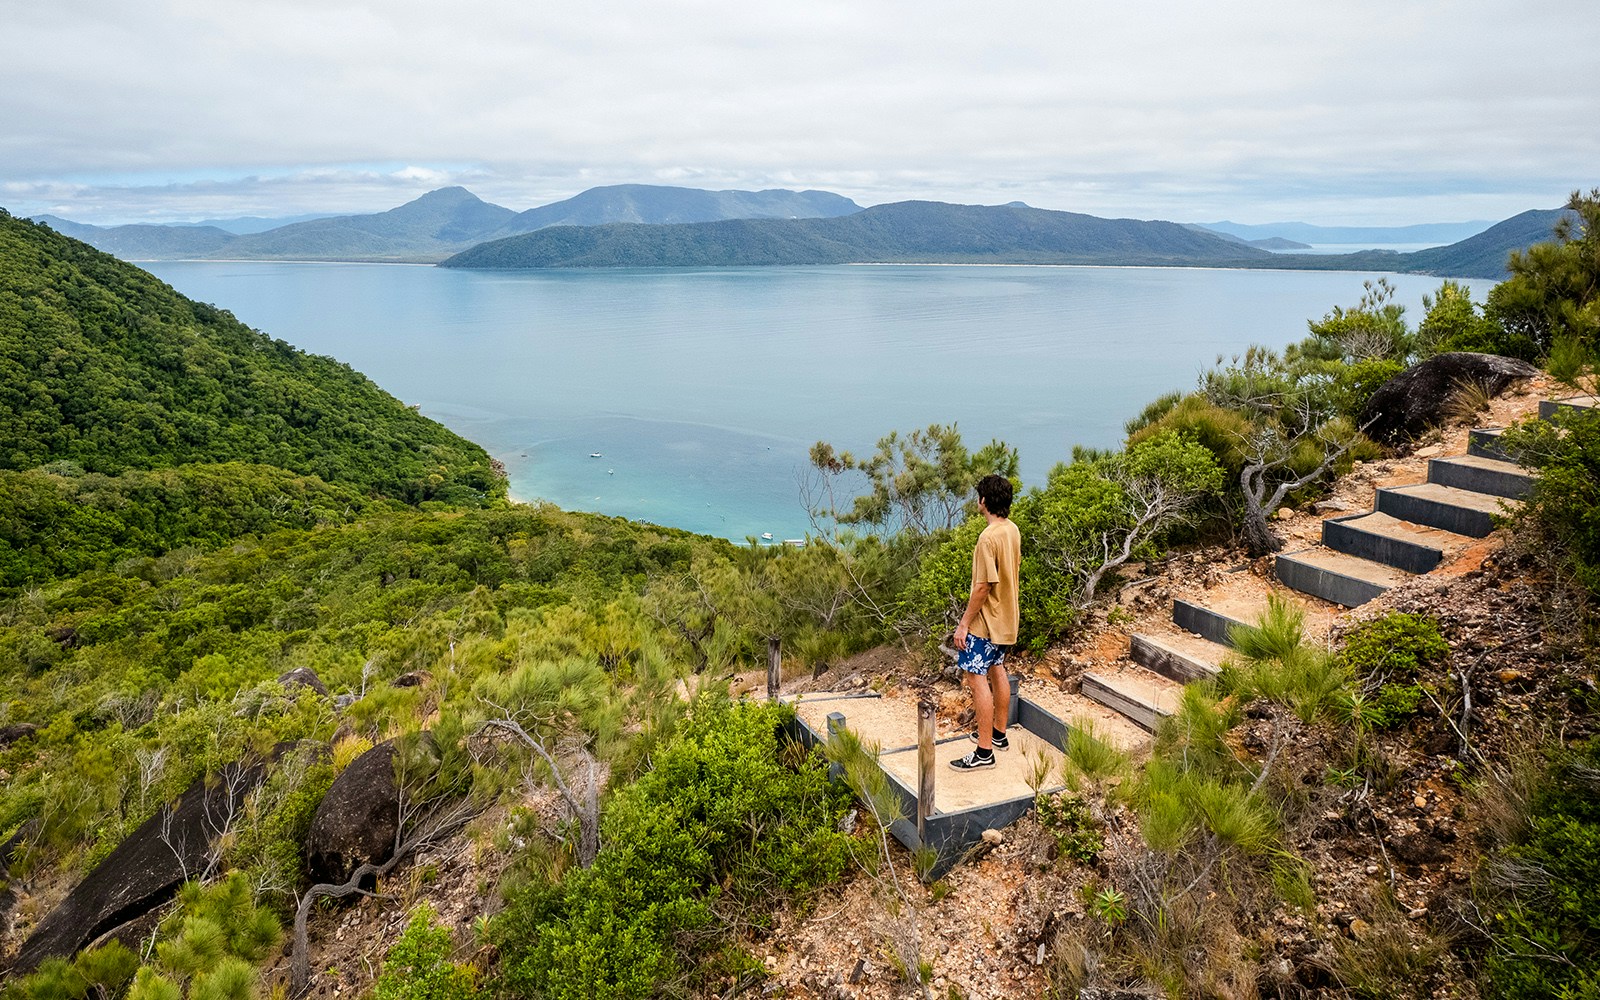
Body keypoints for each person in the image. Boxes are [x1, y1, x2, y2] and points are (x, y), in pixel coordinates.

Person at [949, 474, 1021, 770]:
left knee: (976, 679)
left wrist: (963, 623)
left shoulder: (987, 538)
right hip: (1006, 619)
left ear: (983, 501)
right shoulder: (1012, 530)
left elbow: (982, 587)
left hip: (985, 623)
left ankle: (983, 752)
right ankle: (999, 734)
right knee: (997, 669)